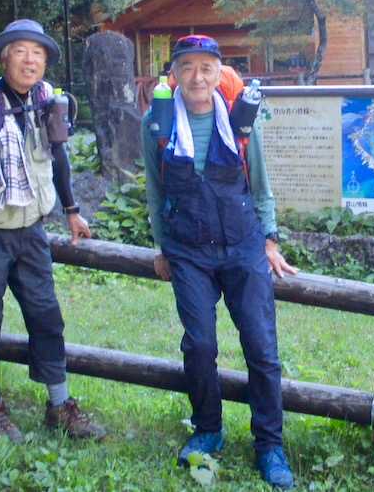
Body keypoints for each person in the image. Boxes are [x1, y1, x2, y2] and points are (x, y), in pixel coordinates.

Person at [142, 34, 298, 489]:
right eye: (187, 67)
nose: (197, 77)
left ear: (218, 72)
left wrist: (269, 240)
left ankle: (269, 444)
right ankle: (207, 428)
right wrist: (162, 245)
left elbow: (260, 183)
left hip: (243, 243)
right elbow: (155, 189)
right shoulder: (157, 121)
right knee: (200, 345)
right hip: (188, 249)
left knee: (261, 347)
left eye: (206, 68)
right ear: (174, 73)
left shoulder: (238, 117)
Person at [0, 19, 105, 443]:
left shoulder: (47, 99)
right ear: (4, 57)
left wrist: (72, 211)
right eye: (20, 51)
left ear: (45, 61)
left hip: (31, 230)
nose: (29, 60)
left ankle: (59, 405)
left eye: (38, 53)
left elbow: (59, 156)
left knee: (46, 314)